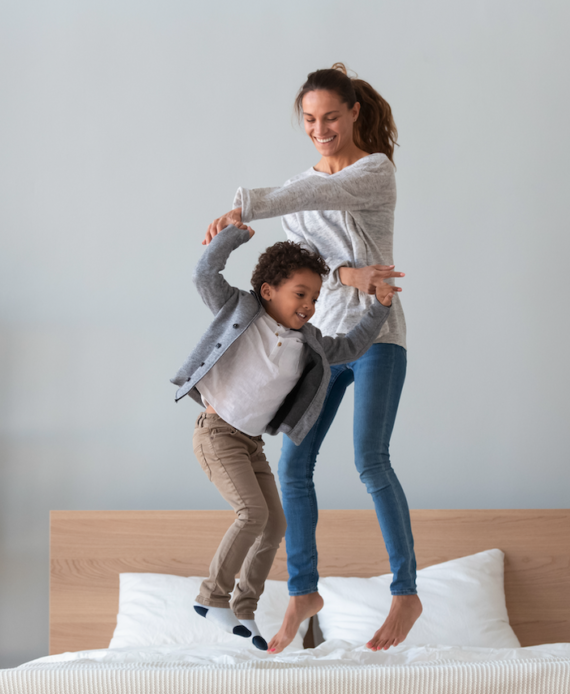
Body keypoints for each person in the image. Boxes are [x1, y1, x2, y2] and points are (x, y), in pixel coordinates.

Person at [203, 63, 420, 653]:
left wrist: (245, 203)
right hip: (322, 345)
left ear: (353, 113)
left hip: (376, 338)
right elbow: (318, 266)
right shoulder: (299, 194)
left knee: (370, 460)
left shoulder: (374, 172)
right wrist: (348, 271)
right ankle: (303, 590)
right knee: (294, 468)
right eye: (309, 120)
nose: (320, 128)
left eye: (330, 117)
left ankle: (405, 592)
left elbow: (321, 192)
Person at [172, 224, 394, 650]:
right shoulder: (240, 310)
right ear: (269, 290)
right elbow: (204, 274)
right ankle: (212, 596)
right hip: (216, 434)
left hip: (250, 443)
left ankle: (242, 608)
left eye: (314, 297)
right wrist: (233, 236)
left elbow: (348, 348)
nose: (309, 305)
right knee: (251, 514)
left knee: (275, 524)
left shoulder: (308, 342)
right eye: (300, 294)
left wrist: (379, 308)